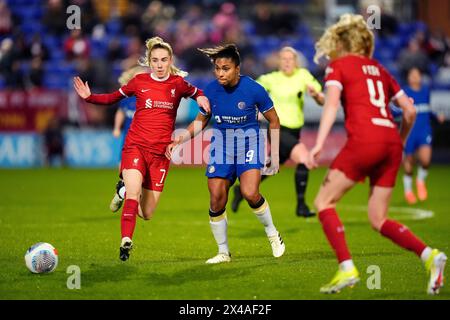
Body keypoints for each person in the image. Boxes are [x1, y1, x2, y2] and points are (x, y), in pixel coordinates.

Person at [307, 14, 446, 295]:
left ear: (341, 41)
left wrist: (319, 143)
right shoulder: (380, 69)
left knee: (323, 202)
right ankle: (430, 256)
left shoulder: (338, 66)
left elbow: (332, 105)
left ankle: (346, 268)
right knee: (378, 219)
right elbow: (408, 111)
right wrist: (400, 141)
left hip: (364, 140)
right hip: (390, 143)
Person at [73, 36, 210, 261]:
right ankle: (126, 240)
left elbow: (197, 93)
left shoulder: (177, 84)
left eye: (163, 60)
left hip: (161, 155)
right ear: (149, 61)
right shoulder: (139, 81)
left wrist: (202, 99)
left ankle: (122, 190)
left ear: (170, 60)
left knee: (146, 213)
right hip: (135, 147)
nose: (159, 64)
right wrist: (90, 98)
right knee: (134, 195)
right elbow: (113, 98)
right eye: (154, 60)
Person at [166, 44, 285, 264]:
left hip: (249, 143)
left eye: (226, 68)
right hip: (221, 146)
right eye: (218, 68)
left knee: (250, 193)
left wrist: (274, 156)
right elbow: (201, 121)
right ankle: (223, 252)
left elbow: (274, 120)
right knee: (216, 198)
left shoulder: (254, 89)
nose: (221, 72)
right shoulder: (210, 91)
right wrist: (180, 139)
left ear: (237, 69)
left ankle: (272, 233)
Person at [231, 46, 324, 218]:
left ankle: (241, 189)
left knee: (272, 167)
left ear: (295, 61)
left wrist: (317, 95)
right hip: (277, 129)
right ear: (279, 61)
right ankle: (301, 205)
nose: (287, 62)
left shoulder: (303, 75)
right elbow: (250, 90)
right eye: (284, 59)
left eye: (290, 59)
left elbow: (321, 99)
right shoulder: (270, 79)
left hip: (295, 130)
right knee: (304, 159)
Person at [396, 68, 445, 204]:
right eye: (413, 75)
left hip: (424, 129)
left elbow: (426, 108)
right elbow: (400, 109)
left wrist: (436, 116)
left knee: (426, 160)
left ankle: (420, 181)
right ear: (408, 77)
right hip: (410, 131)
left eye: (418, 75)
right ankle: (408, 191)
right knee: (408, 164)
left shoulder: (425, 91)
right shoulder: (404, 92)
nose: (415, 77)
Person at [109, 65, 147, 213]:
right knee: (125, 171)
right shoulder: (127, 97)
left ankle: (122, 192)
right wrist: (117, 128)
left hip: (147, 141)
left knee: (142, 177)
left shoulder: (152, 96)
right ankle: (125, 191)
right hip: (130, 140)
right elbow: (120, 112)